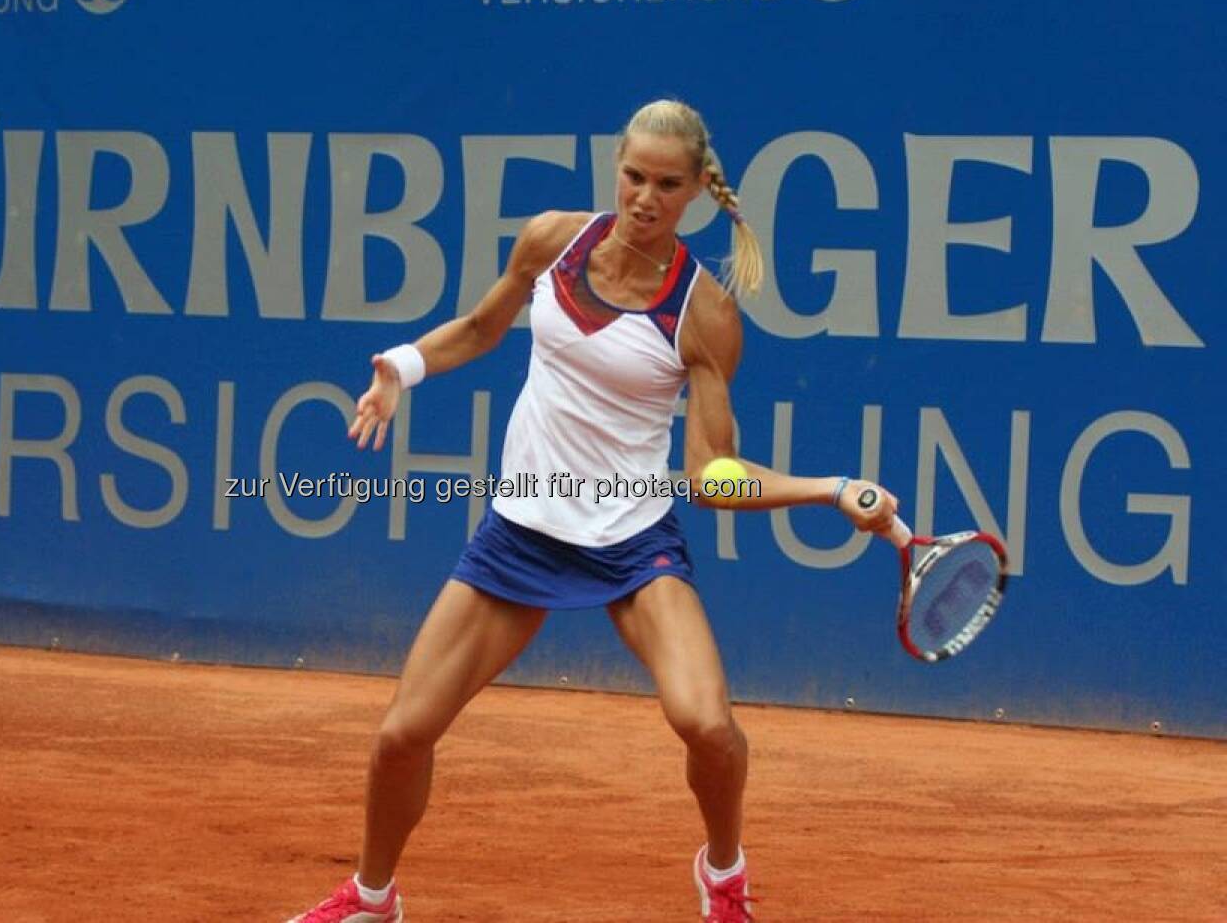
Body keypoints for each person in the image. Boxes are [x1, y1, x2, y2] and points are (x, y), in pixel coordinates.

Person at [287, 99, 899, 923]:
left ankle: (723, 874)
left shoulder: (705, 314)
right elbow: (478, 327)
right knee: (402, 735)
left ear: (695, 193)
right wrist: (401, 367)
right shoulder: (552, 241)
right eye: (634, 175)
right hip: (521, 533)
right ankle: (372, 897)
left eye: (667, 184)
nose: (646, 196)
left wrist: (826, 488)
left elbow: (713, 475)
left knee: (708, 727)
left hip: (631, 541)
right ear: (618, 167)